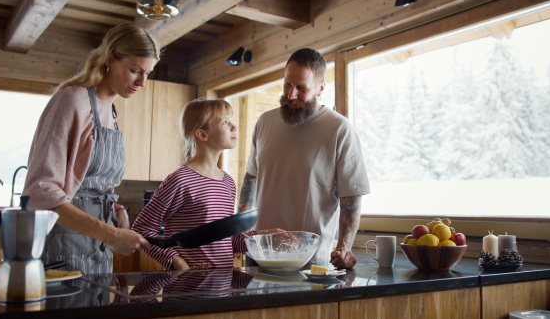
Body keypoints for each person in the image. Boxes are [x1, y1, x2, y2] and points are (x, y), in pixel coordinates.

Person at [23, 23, 156, 274]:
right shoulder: (72, 100)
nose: (142, 82)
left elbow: (95, 182)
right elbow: (40, 191)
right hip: (63, 241)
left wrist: (117, 211)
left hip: (99, 246)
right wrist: (109, 233)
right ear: (111, 58)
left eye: (148, 73)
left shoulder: (110, 110)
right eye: (135, 70)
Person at [238, 48, 370, 269]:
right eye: (287, 84)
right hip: (259, 255)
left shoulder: (340, 129)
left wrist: (343, 247)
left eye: (301, 88)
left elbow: (352, 196)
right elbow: (250, 179)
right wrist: (242, 234)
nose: (290, 95)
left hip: (311, 261)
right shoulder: (264, 122)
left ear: (320, 88)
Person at [132, 98, 284, 271]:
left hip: (221, 286)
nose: (234, 127)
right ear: (202, 134)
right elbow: (142, 229)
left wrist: (263, 237)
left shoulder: (228, 182)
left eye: (231, 120)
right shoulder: (181, 180)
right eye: (225, 122)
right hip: (186, 290)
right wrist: (176, 262)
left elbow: (225, 240)